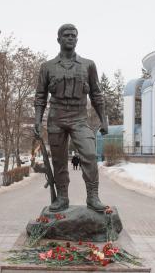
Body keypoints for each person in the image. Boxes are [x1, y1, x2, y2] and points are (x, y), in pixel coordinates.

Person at [34, 23, 108, 212]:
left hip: (79, 117)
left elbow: (96, 94)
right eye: (66, 35)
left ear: (77, 39)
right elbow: (40, 97)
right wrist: (37, 120)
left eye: (73, 35)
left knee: (90, 155)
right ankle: (62, 197)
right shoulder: (47, 67)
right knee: (58, 160)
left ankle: (93, 196)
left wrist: (103, 119)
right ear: (58, 39)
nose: (70, 38)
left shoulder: (88, 65)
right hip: (56, 117)